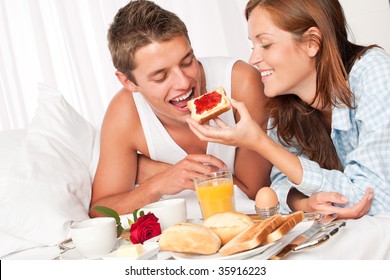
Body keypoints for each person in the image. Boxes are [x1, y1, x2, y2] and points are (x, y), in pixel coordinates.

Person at [187, 0, 390, 219]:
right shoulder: (286, 103)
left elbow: (374, 200)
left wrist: (259, 142)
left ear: (312, 42)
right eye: (252, 46)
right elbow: (281, 184)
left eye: (265, 45)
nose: (253, 59)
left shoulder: (375, 75)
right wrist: (304, 202)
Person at [89, 0, 271, 218]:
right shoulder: (125, 113)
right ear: (128, 82)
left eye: (187, 62)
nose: (184, 82)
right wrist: (160, 182)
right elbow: (101, 211)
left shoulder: (241, 83)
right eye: (161, 76)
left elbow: (255, 194)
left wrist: (149, 170)